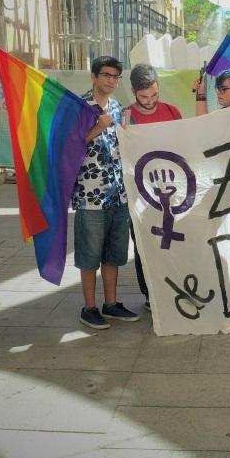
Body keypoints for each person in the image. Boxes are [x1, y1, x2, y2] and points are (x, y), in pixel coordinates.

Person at [72, 56, 138, 330]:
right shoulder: (79, 108)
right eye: (107, 75)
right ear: (94, 77)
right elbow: (68, 146)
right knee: (89, 255)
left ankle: (111, 303)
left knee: (114, 253)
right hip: (90, 196)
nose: (111, 80)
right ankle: (89, 307)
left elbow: (120, 142)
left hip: (117, 194)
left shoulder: (116, 105)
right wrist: (98, 127)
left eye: (115, 76)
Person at [121, 64, 183, 311]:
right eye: (143, 96)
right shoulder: (126, 117)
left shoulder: (172, 111)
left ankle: (175, 286)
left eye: (154, 95)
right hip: (141, 193)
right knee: (144, 243)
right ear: (134, 92)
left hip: (172, 189)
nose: (149, 101)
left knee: (173, 242)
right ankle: (150, 293)